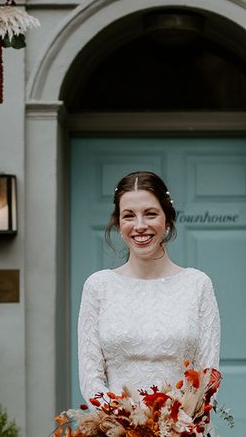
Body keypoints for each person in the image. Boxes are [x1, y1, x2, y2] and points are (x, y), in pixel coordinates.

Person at [77, 171, 221, 401]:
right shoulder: (98, 287)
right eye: (129, 216)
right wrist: (128, 423)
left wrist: (175, 424)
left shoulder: (197, 285)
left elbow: (208, 377)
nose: (140, 225)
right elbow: (90, 378)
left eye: (150, 214)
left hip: (183, 430)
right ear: (118, 222)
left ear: (167, 219)